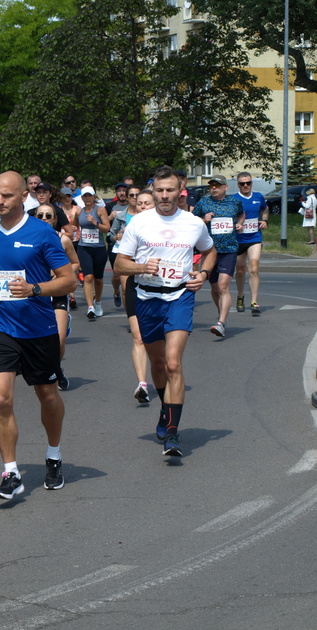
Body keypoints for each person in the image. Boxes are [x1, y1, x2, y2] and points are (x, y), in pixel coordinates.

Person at [0, 171, 75, 499]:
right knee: (1, 398)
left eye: (7, 196)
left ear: (22, 197)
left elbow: (68, 280)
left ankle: (54, 455)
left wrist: (34, 288)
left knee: (47, 396)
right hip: (1, 325)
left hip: (38, 328)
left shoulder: (42, 233)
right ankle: (11, 472)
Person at [114, 166, 216, 457]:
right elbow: (121, 264)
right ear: (153, 190)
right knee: (157, 365)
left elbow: (209, 251)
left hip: (180, 296)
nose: (164, 195)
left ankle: (172, 433)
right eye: (159, 190)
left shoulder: (193, 223)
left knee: (173, 363)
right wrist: (140, 267)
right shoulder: (140, 222)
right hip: (147, 298)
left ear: (180, 190)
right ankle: (165, 408)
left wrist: (204, 273)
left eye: (170, 190)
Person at [114, 187, 155, 404]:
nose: (143, 207)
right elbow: (121, 265)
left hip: (162, 288)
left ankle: (164, 374)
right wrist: (142, 267)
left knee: (159, 341)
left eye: (147, 203)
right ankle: (142, 384)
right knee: (138, 337)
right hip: (136, 285)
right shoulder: (131, 229)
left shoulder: (168, 229)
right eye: (140, 204)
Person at [33, 203, 80, 391]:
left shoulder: (63, 240)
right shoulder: (27, 240)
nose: (44, 219)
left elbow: (75, 263)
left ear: (55, 219)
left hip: (57, 292)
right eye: (40, 216)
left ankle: (56, 369)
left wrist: (61, 275)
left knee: (58, 339)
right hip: (35, 293)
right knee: (36, 338)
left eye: (48, 216)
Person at [192, 174, 244, 338]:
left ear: (225, 188)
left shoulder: (234, 202)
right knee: (214, 288)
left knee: (223, 286)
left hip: (229, 249)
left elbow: (241, 214)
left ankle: (221, 322)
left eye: (217, 185)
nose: (213, 188)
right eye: (211, 185)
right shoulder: (204, 202)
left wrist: (240, 223)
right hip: (209, 250)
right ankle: (222, 313)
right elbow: (192, 220)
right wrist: (203, 219)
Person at [233, 171, 269, 315]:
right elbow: (228, 216)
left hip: (254, 237)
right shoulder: (234, 199)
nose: (246, 185)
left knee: (253, 267)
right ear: (238, 185)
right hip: (239, 239)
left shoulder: (258, 196)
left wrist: (265, 220)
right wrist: (237, 224)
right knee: (240, 270)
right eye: (242, 183)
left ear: (251, 183)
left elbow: (265, 209)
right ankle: (240, 296)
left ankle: (254, 301)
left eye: (248, 183)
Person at [74, 185, 111, 319]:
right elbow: (75, 224)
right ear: (82, 198)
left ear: (94, 197)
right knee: (88, 277)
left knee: (98, 278)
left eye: (90, 195)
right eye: (85, 196)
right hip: (84, 248)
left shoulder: (100, 210)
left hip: (99, 248)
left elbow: (107, 229)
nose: (87, 198)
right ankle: (90, 307)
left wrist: (95, 222)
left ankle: (98, 302)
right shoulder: (79, 212)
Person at [106, 183, 130, 306]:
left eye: (123, 190)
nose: (121, 193)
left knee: (126, 278)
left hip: (131, 248)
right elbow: (104, 225)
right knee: (116, 276)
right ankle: (116, 291)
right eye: (119, 190)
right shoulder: (110, 206)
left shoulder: (135, 208)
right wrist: (111, 217)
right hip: (116, 245)